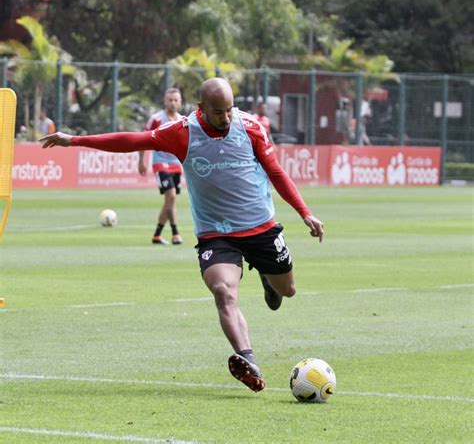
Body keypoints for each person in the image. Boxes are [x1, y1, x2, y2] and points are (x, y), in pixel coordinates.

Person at [40, 78, 324, 393]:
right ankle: (249, 361)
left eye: (229, 109)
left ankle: (269, 281)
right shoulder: (183, 132)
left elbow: (276, 172)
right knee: (223, 291)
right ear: (200, 108)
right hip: (217, 234)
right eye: (218, 112)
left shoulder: (251, 127)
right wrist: (75, 141)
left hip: (261, 228)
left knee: (288, 290)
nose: (226, 117)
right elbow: (132, 140)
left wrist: (305, 212)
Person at [138, 88, 184, 245]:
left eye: (175, 100)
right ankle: (175, 233)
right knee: (170, 196)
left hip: (176, 164)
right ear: (165, 101)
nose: (172, 103)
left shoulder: (182, 120)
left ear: (180, 102)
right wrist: (141, 160)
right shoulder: (156, 119)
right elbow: (143, 139)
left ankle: (157, 235)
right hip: (160, 163)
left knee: (170, 201)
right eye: (170, 100)